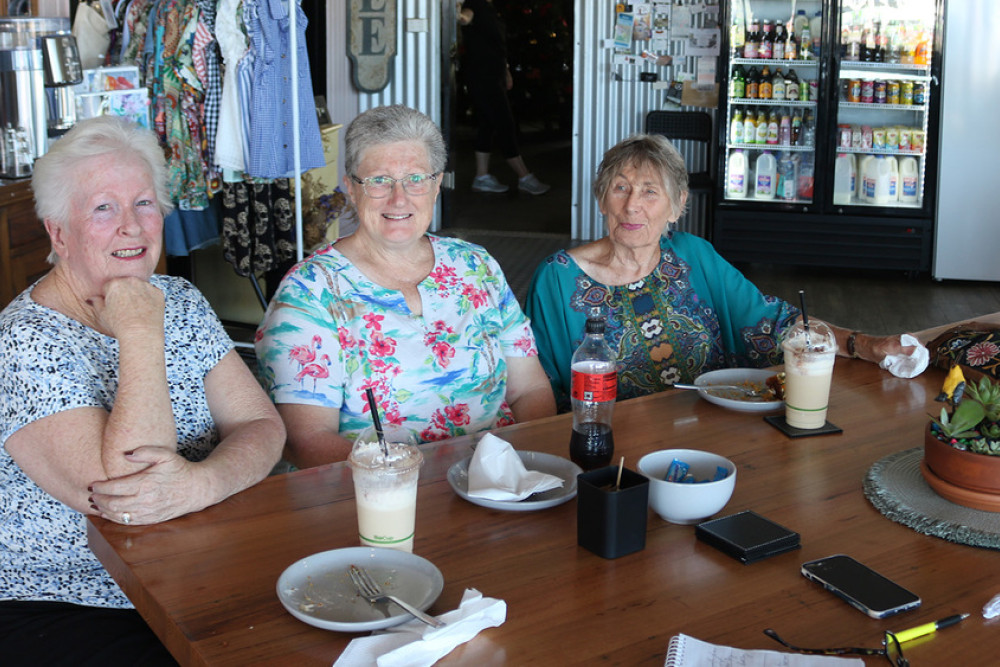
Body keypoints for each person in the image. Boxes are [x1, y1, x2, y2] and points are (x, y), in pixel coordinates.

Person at [0, 116, 286, 665]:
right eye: (103, 208)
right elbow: (133, 500)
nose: (131, 226)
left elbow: (261, 426)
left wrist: (205, 481)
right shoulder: (23, 342)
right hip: (73, 599)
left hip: (197, 565)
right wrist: (137, 332)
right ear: (59, 233)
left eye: (145, 203)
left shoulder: (177, 297)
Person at [255, 104, 556, 468]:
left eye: (415, 178)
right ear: (351, 188)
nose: (399, 199)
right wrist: (425, 484)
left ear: (436, 184)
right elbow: (308, 441)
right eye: (379, 180)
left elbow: (530, 389)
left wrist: (521, 467)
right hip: (380, 503)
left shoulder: (477, 267)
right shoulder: (310, 293)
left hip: (499, 484)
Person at [525, 133, 913, 408]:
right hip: (613, 450)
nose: (632, 207)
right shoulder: (556, 280)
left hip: (713, 432)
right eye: (620, 188)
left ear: (676, 206)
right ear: (600, 200)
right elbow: (535, 389)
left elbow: (773, 324)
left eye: (649, 191)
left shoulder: (695, 257)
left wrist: (864, 345)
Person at [457, 0, 550, 195]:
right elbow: (464, 18)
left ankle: (481, 177)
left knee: (487, 124)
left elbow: (497, 44)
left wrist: (506, 71)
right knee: (505, 123)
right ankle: (524, 177)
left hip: (495, 74)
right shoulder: (475, 5)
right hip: (482, 76)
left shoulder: (491, 8)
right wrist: (456, 6)